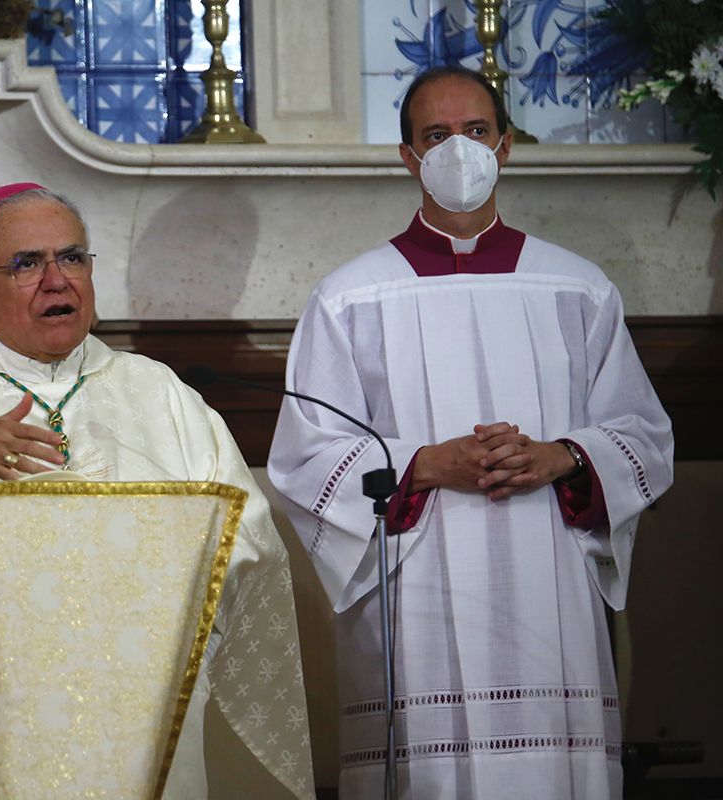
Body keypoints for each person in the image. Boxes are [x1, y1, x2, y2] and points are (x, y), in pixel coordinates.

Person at [0, 183, 315, 799]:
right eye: (27, 264)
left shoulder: (160, 396)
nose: (58, 280)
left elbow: (248, 542)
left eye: (72, 257)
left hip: (145, 718)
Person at [268, 66, 673, 799]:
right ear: (407, 157)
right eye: (436, 135)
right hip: (415, 595)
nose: (460, 149)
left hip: (547, 587)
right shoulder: (350, 298)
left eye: (476, 132)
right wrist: (424, 464)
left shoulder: (576, 288)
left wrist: (563, 456)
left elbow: (644, 435)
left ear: (507, 147)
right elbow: (304, 459)